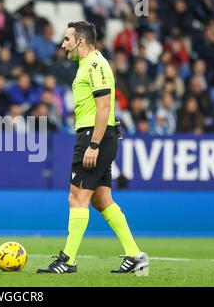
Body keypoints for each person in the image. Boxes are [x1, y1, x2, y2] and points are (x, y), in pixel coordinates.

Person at [37, 21, 148, 274]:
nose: (63, 44)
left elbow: (104, 107)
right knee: (101, 199)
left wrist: (94, 144)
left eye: (67, 39)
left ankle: (68, 260)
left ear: (81, 41)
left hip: (94, 138)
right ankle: (135, 255)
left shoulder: (96, 64)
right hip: (96, 136)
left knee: (76, 198)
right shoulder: (86, 65)